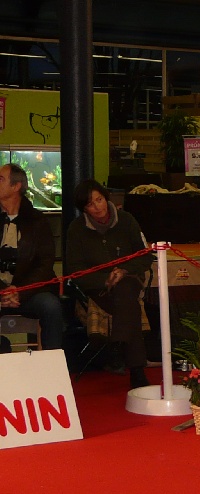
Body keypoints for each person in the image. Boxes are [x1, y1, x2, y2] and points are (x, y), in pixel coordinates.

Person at [66, 179, 154, 390]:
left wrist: (123, 270)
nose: (98, 207)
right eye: (91, 204)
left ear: (106, 198)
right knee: (129, 305)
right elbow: (75, 270)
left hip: (129, 280)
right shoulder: (76, 229)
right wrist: (104, 279)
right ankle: (136, 370)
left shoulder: (126, 220)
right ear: (84, 209)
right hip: (98, 288)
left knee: (125, 290)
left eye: (99, 199)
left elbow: (145, 256)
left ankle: (117, 344)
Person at [0, 163, 63, 350]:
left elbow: (45, 264)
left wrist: (19, 290)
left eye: (1, 179)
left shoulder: (37, 221)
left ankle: (52, 361)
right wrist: (4, 290)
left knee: (50, 306)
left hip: (28, 293)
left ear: (16, 186)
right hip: (1, 291)